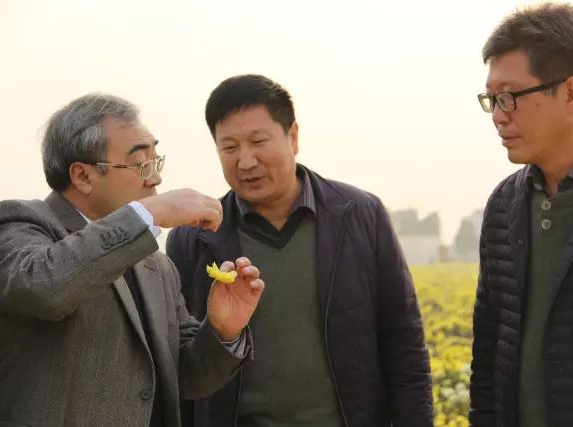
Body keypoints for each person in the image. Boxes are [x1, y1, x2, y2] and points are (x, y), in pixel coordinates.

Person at [0, 93, 265, 427]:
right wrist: (149, 213)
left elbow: (187, 376)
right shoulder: (17, 223)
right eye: (141, 164)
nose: (156, 179)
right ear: (83, 176)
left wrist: (222, 329)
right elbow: (45, 287)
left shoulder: (156, 265)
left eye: (156, 161)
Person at [167, 74, 433, 427]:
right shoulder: (193, 240)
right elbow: (182, 367)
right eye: (229, 148)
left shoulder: (360, 215)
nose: (246, 161)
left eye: (258, 141)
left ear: (293, 136)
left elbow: (404, 341)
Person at [470, 3, 573, 427]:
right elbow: (488, 357)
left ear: (571, 94)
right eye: (492, 99)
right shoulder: (504, 205)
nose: (498, 115)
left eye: (510, 97)